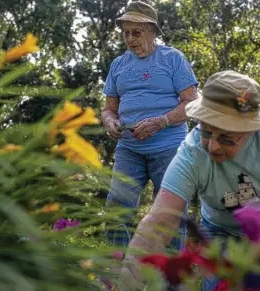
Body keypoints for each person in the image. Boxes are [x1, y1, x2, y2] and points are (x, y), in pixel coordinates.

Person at [121, 70, 260, 290]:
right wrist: (126, 283)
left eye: (227, 139)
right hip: (221, 230)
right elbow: (161, 221)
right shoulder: (191, 152)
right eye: (207, 132)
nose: (213, 147)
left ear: (251, 130)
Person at [101, 1, 199, 251]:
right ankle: (114, 276)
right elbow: (108, 108)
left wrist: (160, 121)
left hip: (168, 147)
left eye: (136, 32)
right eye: (126, 33)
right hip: (129, 149)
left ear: (153, 31)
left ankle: (168, 280)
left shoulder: (173, 59)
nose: (130, 39)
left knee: (170, 213)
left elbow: (191, 103)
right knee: (116, 208)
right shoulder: (118, 65)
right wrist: (110, 122)